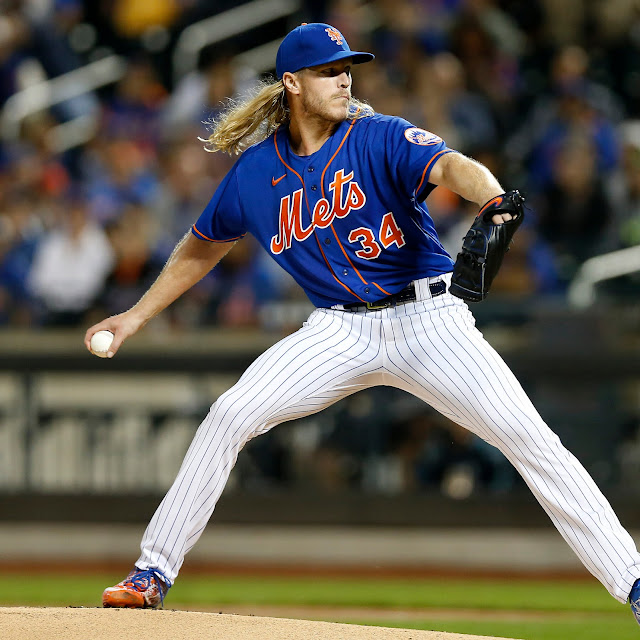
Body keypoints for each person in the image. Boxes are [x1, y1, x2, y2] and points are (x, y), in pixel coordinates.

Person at [86, 23, 640, 623]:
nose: (344, 79)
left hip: (429, 320)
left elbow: (453, 166)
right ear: (292, 83)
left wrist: (494, 198)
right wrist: (136, 315)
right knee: (229, 414)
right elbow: (202, 245)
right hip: (338, 330)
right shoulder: (254, 173)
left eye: (347, 68)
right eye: (328, 71)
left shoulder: (379, 135)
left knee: (532, 442)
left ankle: (635, 584)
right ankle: (152, 572)